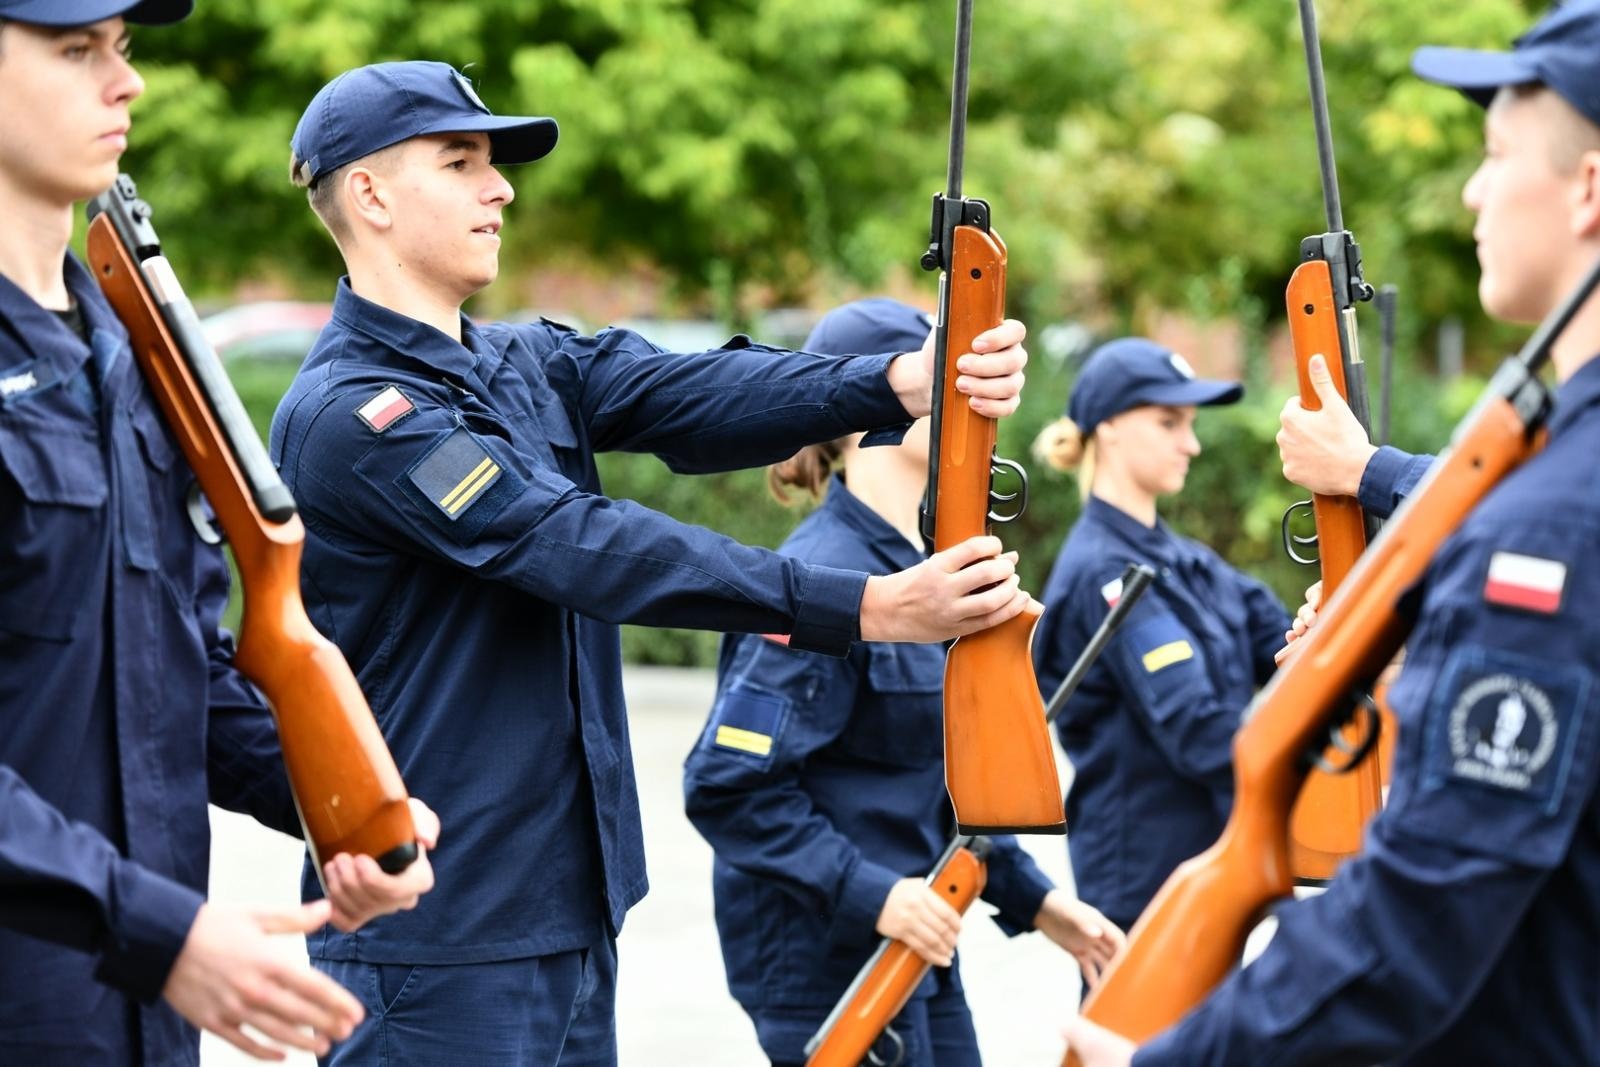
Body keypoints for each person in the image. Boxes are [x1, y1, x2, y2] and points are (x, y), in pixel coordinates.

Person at [271, 62, 1035, 1066]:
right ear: (367, 193)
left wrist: (894, 381)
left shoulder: (518, 361)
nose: (498, 189)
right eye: (459, 163)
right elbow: (577, 543)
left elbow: (689, 393)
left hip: (567, 913)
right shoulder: (360, 415)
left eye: (492, 165)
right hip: (433, 937)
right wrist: (865, 606)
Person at [1067, 4, 1600, 1063]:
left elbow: (1421, 914)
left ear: (1588, 191)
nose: (1472, 190)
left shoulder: (1549, 521)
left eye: (1496, 156)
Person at [0, 3, 437, 1064]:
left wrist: (327, 805)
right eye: (75, 50)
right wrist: (159, 930)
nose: (126, 82)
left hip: (140, 1015)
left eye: (124, 47)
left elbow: (172, 661)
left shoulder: (130, 355)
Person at [682, 299, 1124, 1067]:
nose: (977, 406)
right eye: (948, 385)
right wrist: (875, 893)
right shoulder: (823, 580)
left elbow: (934, 786)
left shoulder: (921, 578)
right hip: (829, 955)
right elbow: (729, 786)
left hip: (917, 939)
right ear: (877, 409)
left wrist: (1040, 904)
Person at [1029, 338, 1292, 938]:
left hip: (1204, 870)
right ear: (1111, 427)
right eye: (1169, 422)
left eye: (1192, 424)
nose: (1191, 443)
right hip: (1144, 889)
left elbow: (1290, 650)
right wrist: (1312, 769)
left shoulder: (1187, 560)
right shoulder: (1104, 571)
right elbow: (1197, 731)